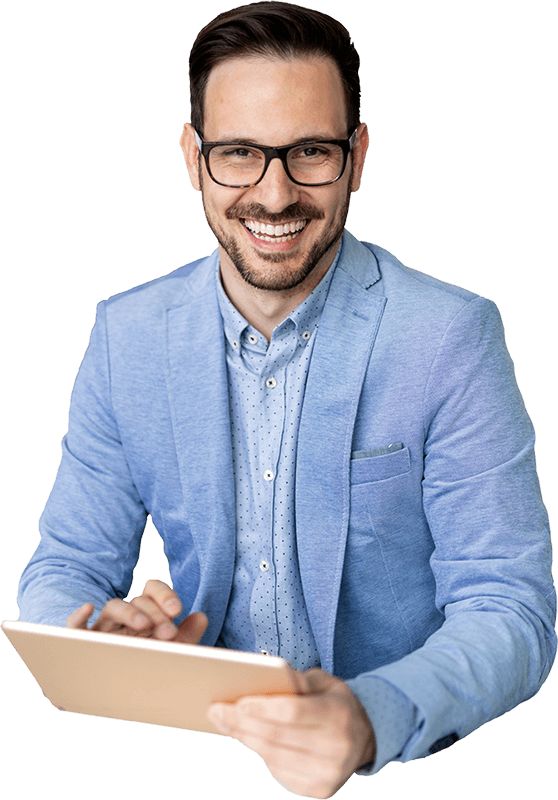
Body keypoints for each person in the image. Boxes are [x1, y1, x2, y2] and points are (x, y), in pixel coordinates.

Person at [17, 3, 555, 797]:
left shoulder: (451, 336)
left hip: (395, 767)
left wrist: (367, 718)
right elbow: (64, 566)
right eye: (239, 153)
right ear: (194, 158)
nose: (275, 196)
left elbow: (510, 609)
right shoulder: (125, 335)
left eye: (310, 152)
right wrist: (97, 633)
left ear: (358, 157)